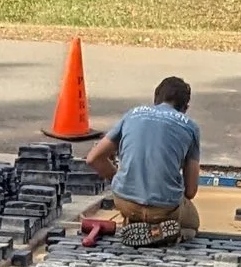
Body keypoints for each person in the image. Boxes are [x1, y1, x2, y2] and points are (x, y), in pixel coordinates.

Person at [85, 75, 202, 239]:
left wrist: (120, 178)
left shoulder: (132, 115)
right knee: (192, 223)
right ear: (185, 107)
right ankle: (164, 234)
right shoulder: (190, 127)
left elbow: (93, 158)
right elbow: (190, 191)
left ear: (156, 99)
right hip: (165, 208)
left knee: (135, 209)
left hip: (125, 202)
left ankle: (134, 223)